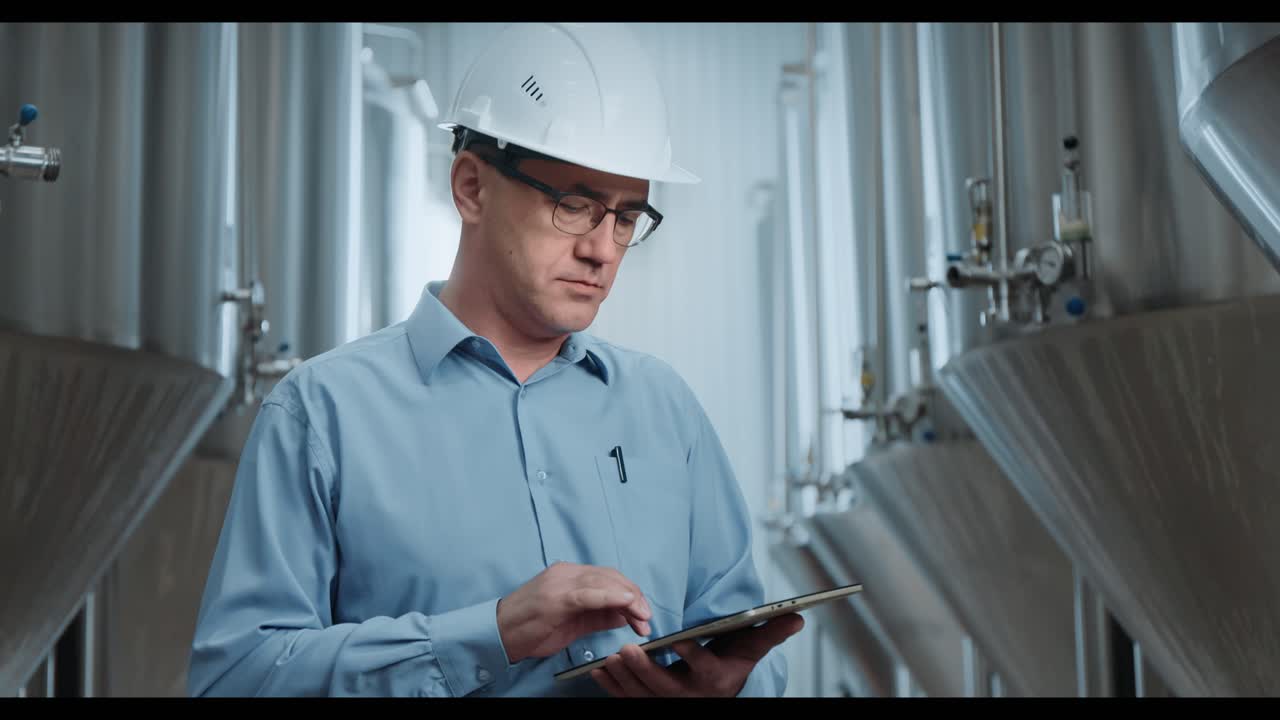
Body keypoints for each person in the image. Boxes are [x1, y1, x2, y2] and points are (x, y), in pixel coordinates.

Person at [187, 21, 801, 698]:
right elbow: (235, 679)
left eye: (625, 219)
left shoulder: (664, 410)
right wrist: (493, 634)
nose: (602, 249)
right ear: (472, 187)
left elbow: (749, 649)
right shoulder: (323, 413)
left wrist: (731, 688)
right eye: (574, 205)